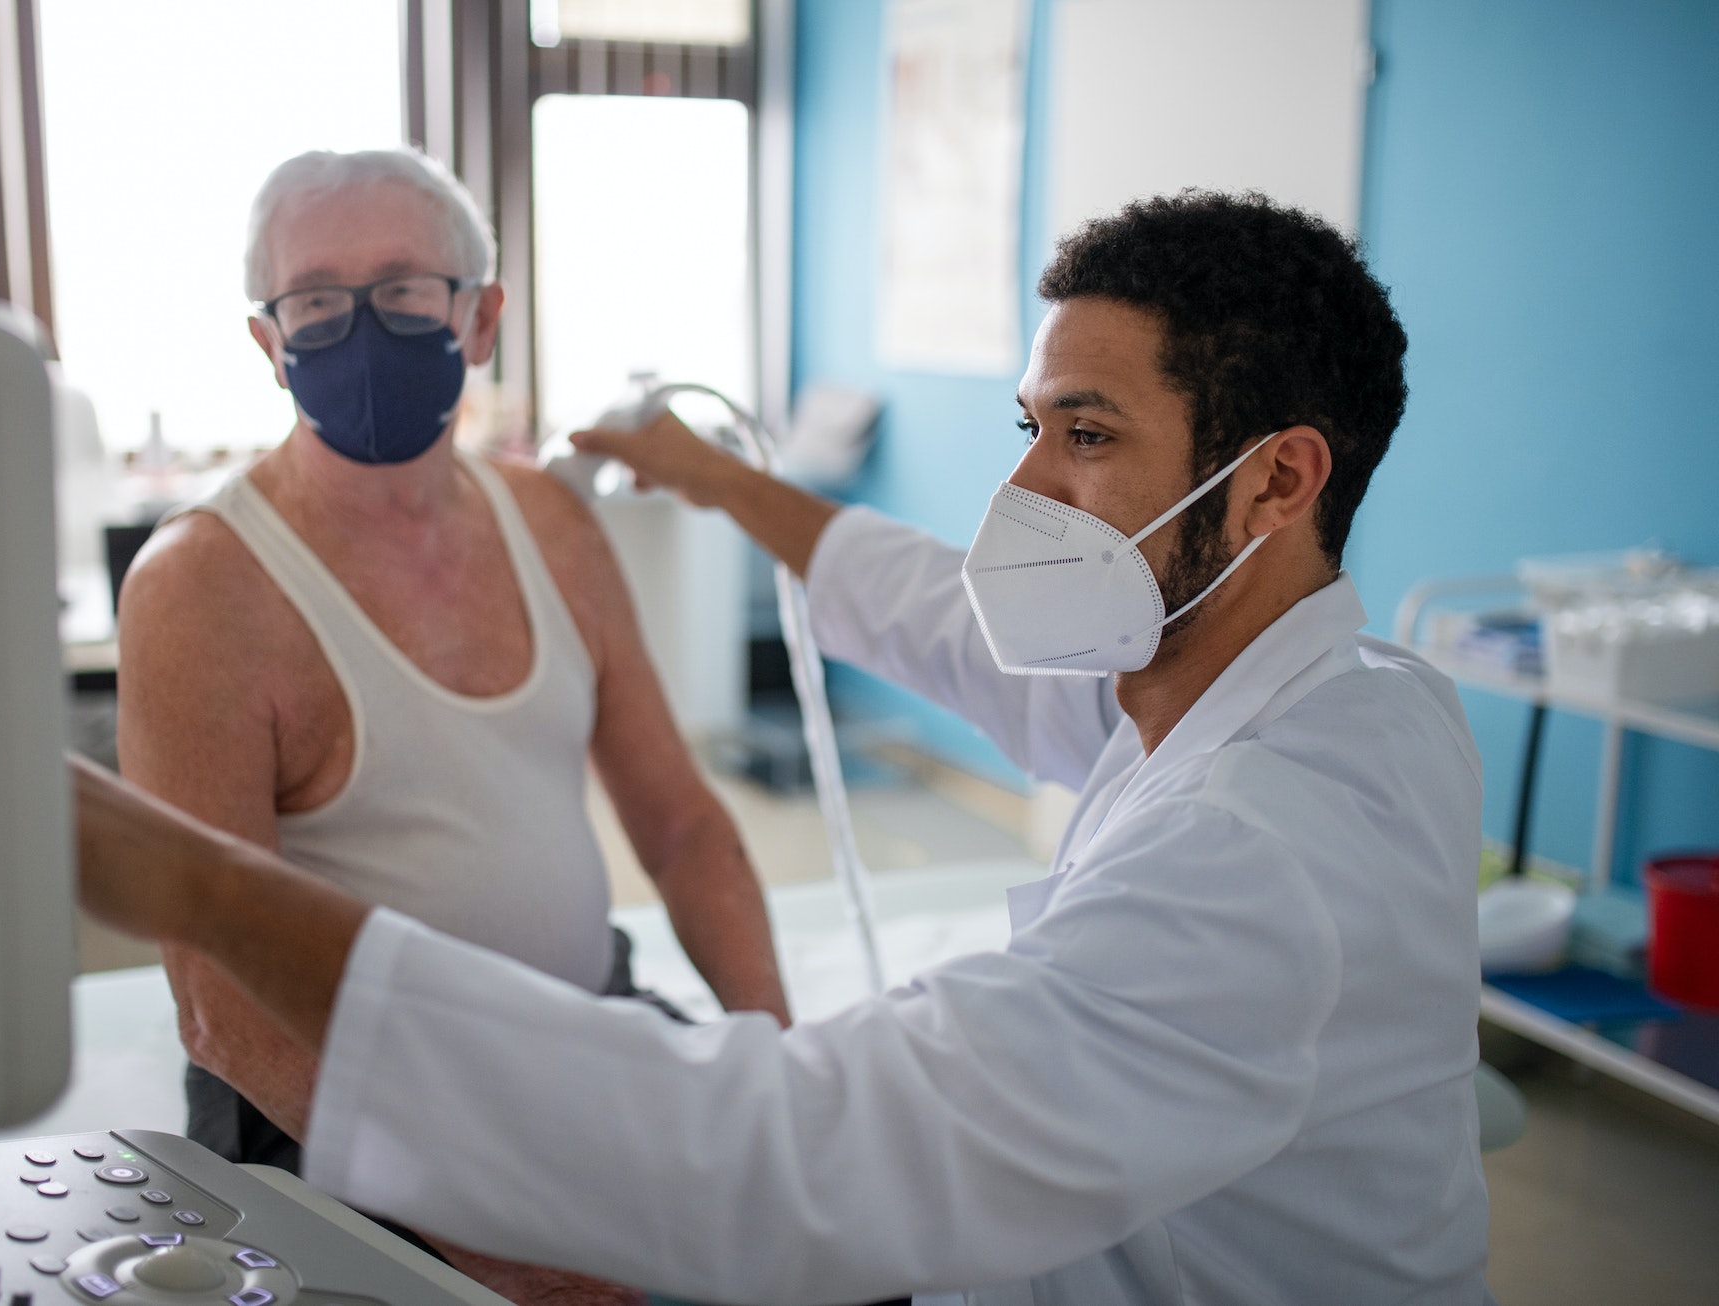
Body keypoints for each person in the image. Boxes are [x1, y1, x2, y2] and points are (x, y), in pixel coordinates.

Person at [79, 192, 1489, 1306]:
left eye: (1088, 433)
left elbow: (805, 1143)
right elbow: (941, 614)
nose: (1021, 489)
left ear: (1277, 481)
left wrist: (197, 887)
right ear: (262, 333)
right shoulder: (1337, 689)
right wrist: (711, 475)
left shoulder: (1255, 848)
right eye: (1029, 426)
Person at [113, 148, 788, 1304]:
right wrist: (492, 1242)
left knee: (839, 1251)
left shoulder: (551, 526)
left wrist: (781, 1084)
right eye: (318, 300)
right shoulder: (203, 586)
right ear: (269, 345)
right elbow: (217, 1002)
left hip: (577, 1021)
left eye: (406, 290)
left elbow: (679, 826)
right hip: (333, 1094)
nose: (361, 327)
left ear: (481, 319)